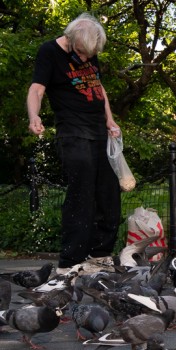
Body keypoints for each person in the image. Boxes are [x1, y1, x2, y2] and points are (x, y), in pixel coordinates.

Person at [27, 12, 122, 274]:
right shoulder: (49, 52)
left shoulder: (89, 49)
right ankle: (71, 261)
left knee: (109, 194)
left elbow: (99, 89)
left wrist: (110, 121)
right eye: (81, 53)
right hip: (72, 133)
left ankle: (100, 254)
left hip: (99, 133)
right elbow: (37, 89)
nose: (85, 59)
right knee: (82, 194)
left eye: (89, 55)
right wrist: (34, 115)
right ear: (69, 39)